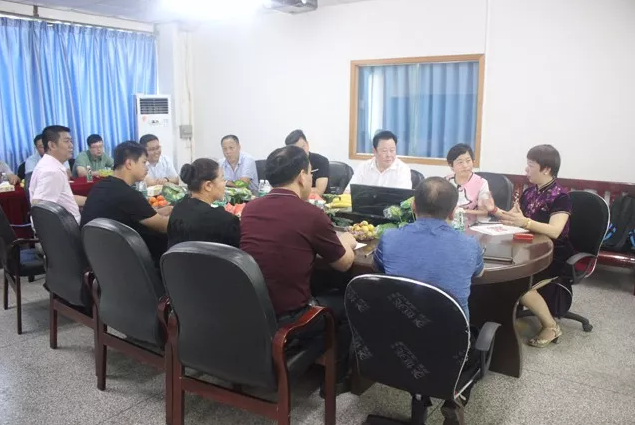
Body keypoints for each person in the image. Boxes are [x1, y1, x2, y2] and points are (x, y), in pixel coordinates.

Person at [240, 145, 358, 391]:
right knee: (351, 302)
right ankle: (336, 380)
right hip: (289, 318)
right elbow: (344, 264)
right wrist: (347, 241)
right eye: (310, 172)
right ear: (302, 176)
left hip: (252, 310)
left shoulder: (250, 208)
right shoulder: (311, 214)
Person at [374, 176, 484, 425]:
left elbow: (377, 268)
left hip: (393, 339)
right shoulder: (469, 245)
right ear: (453, 211)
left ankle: (421, 395)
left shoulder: (390, 238)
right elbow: (478, 273)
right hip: (449, 347)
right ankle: (455, 396)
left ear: (413, 206)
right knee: (478, 339)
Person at [484, 144, 573, 348]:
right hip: (529, 247)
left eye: (531, 165)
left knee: (520, 287)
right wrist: (494, 210)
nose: (526, 169)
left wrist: (525, 222)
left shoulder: (561, 196)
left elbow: (555, 231)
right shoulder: (530, 192)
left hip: (553, 252)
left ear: (546, 169)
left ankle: (551, 326)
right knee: (502, 269)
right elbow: (516, 219)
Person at [80, 141, 172, 264]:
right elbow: (163, 226)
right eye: (143, 162)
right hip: (124, 259)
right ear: (129, 164)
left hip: (97, 257)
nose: (146, 168)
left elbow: (132, 213)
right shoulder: (127, 194)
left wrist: (160, 212)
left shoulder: (101, 186)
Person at [167, 158, 240, 248]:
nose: (224, 183)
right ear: (208, 185)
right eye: (222, 178)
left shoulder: (177, 209)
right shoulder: (226, 221)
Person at [30, 126, 85, 223]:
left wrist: (92, 201)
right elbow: (41, 209)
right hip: (66, 229)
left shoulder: (51, 165)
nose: (71, 145)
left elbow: (64, 198)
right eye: (66, 141)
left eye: (71, 141)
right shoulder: (51, 171)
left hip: (68, 223)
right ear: (52, 145)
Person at [346, 130, 411, 191]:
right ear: (374, 151)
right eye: (384, 151)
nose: (389, 155)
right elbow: (348, 191)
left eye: (392, 150)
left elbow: (404, 197)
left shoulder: (403, 169)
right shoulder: (363, 167)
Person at [445, 144, 490, 223]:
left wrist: (463, 211)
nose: (465, 165)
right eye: (460, 162)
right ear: (451, 165)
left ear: (473, 162)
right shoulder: (446, 181)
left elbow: (484, 212)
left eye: (468, 161)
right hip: (448, 225)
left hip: (471, 226)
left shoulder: (482, 183)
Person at [284, 129, 330, 195]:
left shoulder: (321, 161)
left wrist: (293, 190)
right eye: (296, 150)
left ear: (307, 144)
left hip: (320, 200)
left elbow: (319, 191)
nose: (301, 152)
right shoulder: (287, 164)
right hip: (296, 199)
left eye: (303, 147)